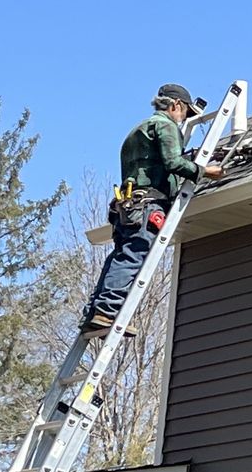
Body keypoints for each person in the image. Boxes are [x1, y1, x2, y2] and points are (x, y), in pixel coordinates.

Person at [78, 83, 224, 337]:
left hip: (128, 205)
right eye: (185, 114)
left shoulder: (136, 131)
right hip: (148, 204)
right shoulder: (165, 125)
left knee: (120, 255)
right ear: (175, 105)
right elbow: (172, 162)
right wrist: (204, 171)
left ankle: (95, 312)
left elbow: (158, 165)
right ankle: (107, 311)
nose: (183, 120)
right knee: (134, 255)